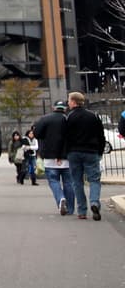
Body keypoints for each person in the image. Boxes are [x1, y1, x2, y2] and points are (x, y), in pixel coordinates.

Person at [63, 91, 106, 221]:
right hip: (91, 151)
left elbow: (65, 136)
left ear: (74, 102)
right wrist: (100, 151)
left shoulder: (69, 117)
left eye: (69, 100)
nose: (68, 103)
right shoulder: (93, 116)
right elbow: (101, 136)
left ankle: (82, 210)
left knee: (77, 181)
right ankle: (94, 202)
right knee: (94, 179)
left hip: (74, 152)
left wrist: (65, 152)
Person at [33, 100, 75, 215]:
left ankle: (60, 198)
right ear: (65, 108)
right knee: (68, 182)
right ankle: (70, 209)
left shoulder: (45, 119)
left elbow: (37, 133)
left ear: (53, 107)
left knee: (53, 180)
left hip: (50, 155)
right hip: (67, 155)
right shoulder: (69, 119)